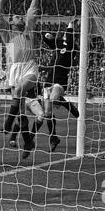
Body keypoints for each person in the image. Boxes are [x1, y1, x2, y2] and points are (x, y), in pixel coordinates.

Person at [0, 0, 42, 159]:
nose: (20, 17)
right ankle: (28, 142)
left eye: (20, 16)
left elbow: (32, 11)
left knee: (21, 89)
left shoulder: (29, 31)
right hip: (15, 71)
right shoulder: (8, 35)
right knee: (21, 115)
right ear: (12, 23)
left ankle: (7, 125)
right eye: (16, 17)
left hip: (29, 67)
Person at [35, 19, 80, 152]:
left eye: (67, 34)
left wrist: (70, 27)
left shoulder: (72, 46)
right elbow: (49, 42)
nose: (65, 35)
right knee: (48, 112)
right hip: (49, 79)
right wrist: (46, 36)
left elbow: (69, 42)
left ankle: (71, 107)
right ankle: (53, 137)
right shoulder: (60, 43)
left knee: (54, 99)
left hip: (60, 80)